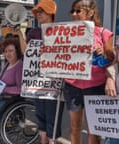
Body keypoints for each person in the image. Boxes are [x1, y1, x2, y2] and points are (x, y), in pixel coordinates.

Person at [9, 0, 65, 143]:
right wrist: (20, 35)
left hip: (54, 83)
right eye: (37, 12)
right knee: (41, 116)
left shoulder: (62, 31)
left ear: (51, 13)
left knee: (53, 116)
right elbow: (26, 52)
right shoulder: (34, 32)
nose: (38, 14)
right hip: (36, 81)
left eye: (41, 11)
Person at [63, 0, 116, 144]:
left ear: (91, 12)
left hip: (95, 86)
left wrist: (104, 51)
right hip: (72, 86)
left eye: (78, 11)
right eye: (73, 11)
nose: (74, 14)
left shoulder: (104, 33)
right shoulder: (66, 33)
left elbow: (113, 58)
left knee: (94, 129)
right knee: (75, 127)